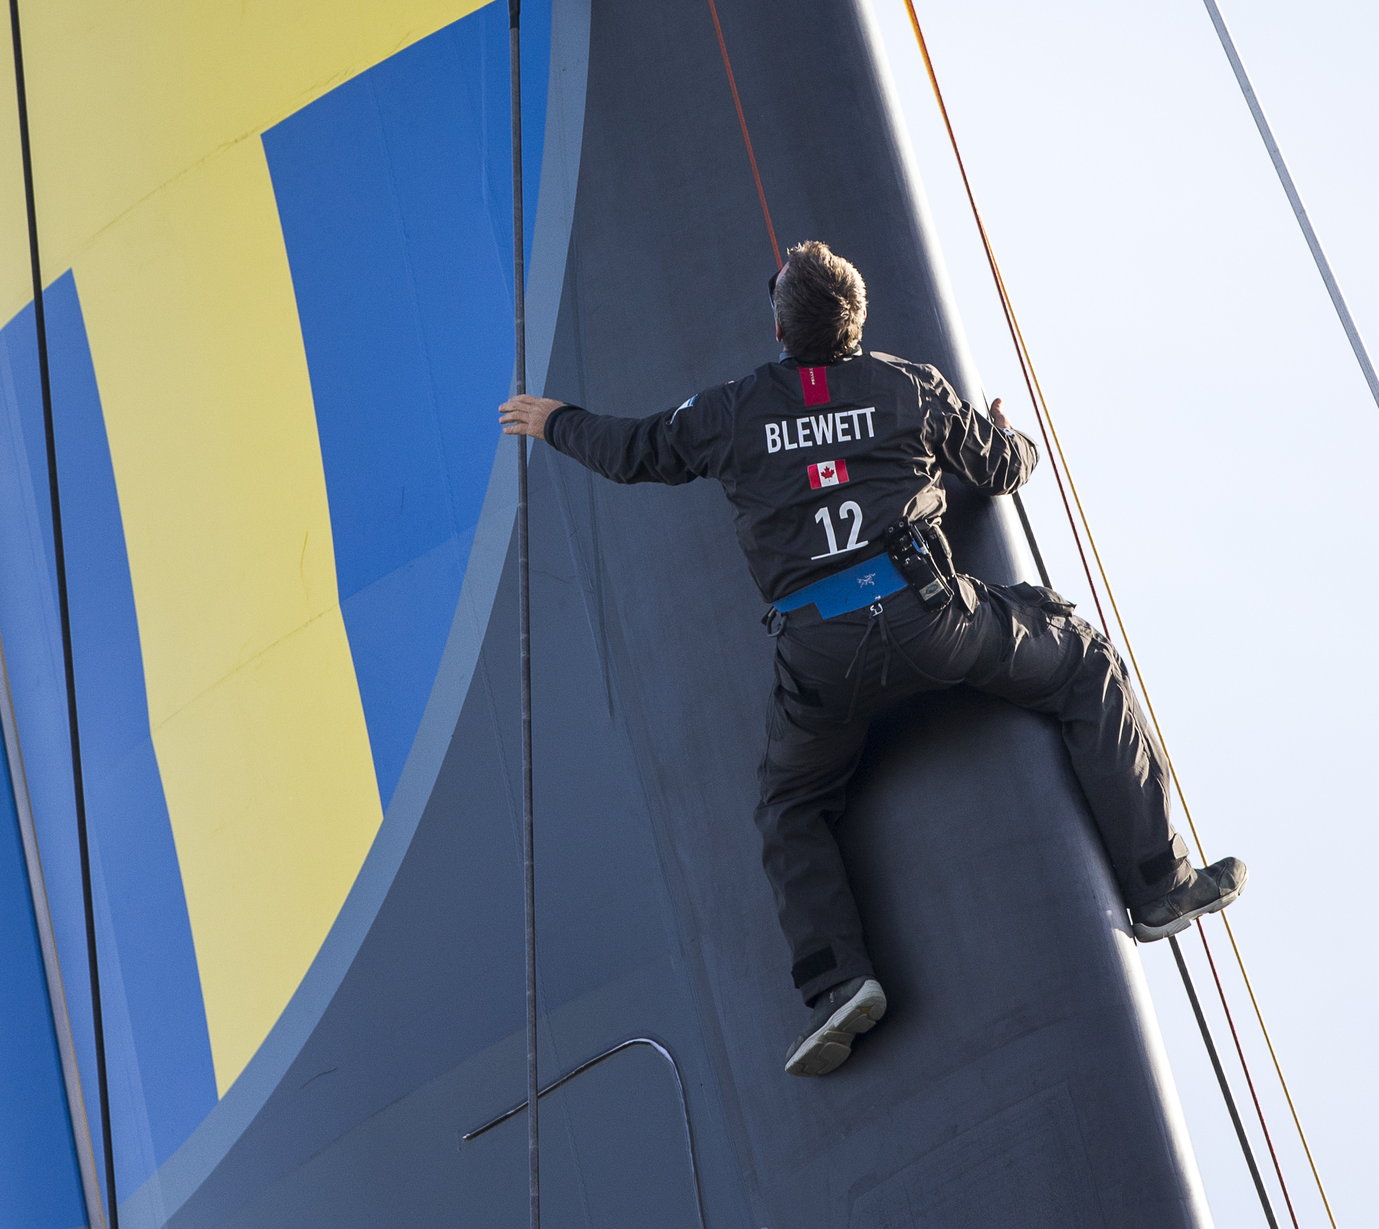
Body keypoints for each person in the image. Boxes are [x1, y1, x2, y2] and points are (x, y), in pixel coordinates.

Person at [498, 240, 1244, 1078]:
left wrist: (552, 418)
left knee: (789, 805)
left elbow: (630, 452)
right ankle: (1155, 885)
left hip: (823, 660)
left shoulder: (732, 411)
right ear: (855, 321)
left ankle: (838, 984)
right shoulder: (908, 385)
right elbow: (1002, 471)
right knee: (1084, 663)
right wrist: (1010, 435)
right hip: (936, 623)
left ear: (778, 325)